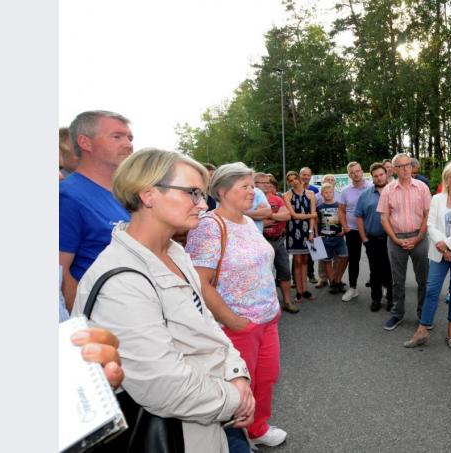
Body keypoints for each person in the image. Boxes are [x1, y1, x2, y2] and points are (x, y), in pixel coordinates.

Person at [71, 149, 256, 452]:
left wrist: (237, 374)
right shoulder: (121, 282)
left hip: (212, 414)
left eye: (202, 194)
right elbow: (164, 386)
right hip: (178, 433)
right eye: (192, 192)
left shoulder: (174, 252)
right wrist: (236, 399)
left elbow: (207, 324)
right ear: (148, 195)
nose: (202, 204)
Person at [185, 162, 287, 448]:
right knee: (238, 387)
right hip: (237, 326)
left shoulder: (247, 222)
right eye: (245, 186)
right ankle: (235, 440)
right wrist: (234, 321)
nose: (252, 191)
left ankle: (257, 428)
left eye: (252, 185)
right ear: (222, 191)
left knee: (265, 379)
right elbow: (200, 282)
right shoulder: (209, 226)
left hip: (267, 319)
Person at [60, 110, 133, 312]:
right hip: (99, 318)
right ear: (85, 142)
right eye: (117, 137)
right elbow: (60, 272)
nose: (128, 144)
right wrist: (83, 323)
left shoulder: (127, 195)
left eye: (130, 138)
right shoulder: (66, 197)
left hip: (133, 311)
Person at [403, 161, 451, 349]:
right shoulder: (436, 199)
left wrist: (448, 245)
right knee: (431, 290)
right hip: (438, 252)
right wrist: (443, 249)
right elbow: (431, 225)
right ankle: (422, 330)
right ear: (446, 178)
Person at [378, 153, 431, 331]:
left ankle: (424, 314)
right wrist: (395, 239)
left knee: (423, 279)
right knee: (397, 280)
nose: (406, 169)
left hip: (419, 237)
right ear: (394, 169)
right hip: (396, 238)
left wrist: (418, 238)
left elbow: (428, 215)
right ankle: (397, 314)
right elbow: (384, 218)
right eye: (401, 166)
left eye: (408, 164)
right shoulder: (388, 190)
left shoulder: (422, 188)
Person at [255, 172, 298, 314]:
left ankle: (287, 301)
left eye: (268, 182)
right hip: (261, 241)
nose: (267, 184)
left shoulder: (277, 199)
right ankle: (265, 305)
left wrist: (268, 216)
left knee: (284, 271)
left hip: (278, 241)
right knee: (262, 275)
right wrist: (274, 218)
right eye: (263, 182)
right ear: (255, 184)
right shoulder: (251, 201)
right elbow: (251, 221)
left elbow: (287, 216)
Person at [355, 163, 394, 312]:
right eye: (375, 176)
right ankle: (376, 299)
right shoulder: (365, 195)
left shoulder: (395, 192)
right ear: (372, 178)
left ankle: (391, 299)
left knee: (390, 271)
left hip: (392, 239)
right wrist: (364, 238)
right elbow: (359, 217)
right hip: (372, 239)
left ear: (386, 174)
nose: (379, 178)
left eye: (381, 174)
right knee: (375, 271)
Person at [339, 162, 374, 301]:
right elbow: (341, 210)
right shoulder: (345, 191)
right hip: (352, 230)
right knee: (353, 260)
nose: (356, 174)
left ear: (362, 171)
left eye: (358, 171)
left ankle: (380, 286)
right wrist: (345, 226)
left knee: (375, 259)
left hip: (369, 229)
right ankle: (353, 288)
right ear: (349, 175)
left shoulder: (372, 187)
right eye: (352, 172)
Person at [284, 170, 317, 303]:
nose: (294, 182)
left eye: (295, 179)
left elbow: (313, 214)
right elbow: (294, 215)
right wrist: (311, 215)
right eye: (290, 180)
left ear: (299, 178)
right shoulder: (287, 195)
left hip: (307, 231)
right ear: (288, 183)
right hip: (293, 231)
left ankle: (305, 290)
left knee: (305, 261)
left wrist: (311, 231)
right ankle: (298, 291)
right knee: (297, 261)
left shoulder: (310, 194)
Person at [316, 182, 349, 294]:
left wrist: (344, 230)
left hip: (339, 237)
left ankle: (338, 279)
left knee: (344, 256)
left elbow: (345, 218)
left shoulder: (339, 205)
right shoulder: (319, 207)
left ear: (333, 193)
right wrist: (316, 235)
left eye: (330, 192)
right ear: (322, 194)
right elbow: (316, 222)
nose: (328, 194)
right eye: (326, 192)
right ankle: (332, 283)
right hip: (325, 238)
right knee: (327, 261)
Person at [315, 174, 339, 288]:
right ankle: (322, 278)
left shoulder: (339, 196)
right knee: (321, 255)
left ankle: (334, 278)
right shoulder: (316, 197)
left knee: (337, 256)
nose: (329, 181)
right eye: (327, 179)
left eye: (332, 180)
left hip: (336, 231)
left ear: (335, 183)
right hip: (321, 231)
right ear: (322, 182)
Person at [299, 167, 319, 284]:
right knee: (297, 253)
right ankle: (296, 279)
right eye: (304, 174)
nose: (306, 177)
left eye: (308, 175)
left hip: (312, 224)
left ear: (311, 176)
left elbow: (317, 208)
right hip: (297, 225)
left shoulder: (315, 190)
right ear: (300, 175)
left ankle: (311, 274)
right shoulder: (294, 189)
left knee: (313, 251)